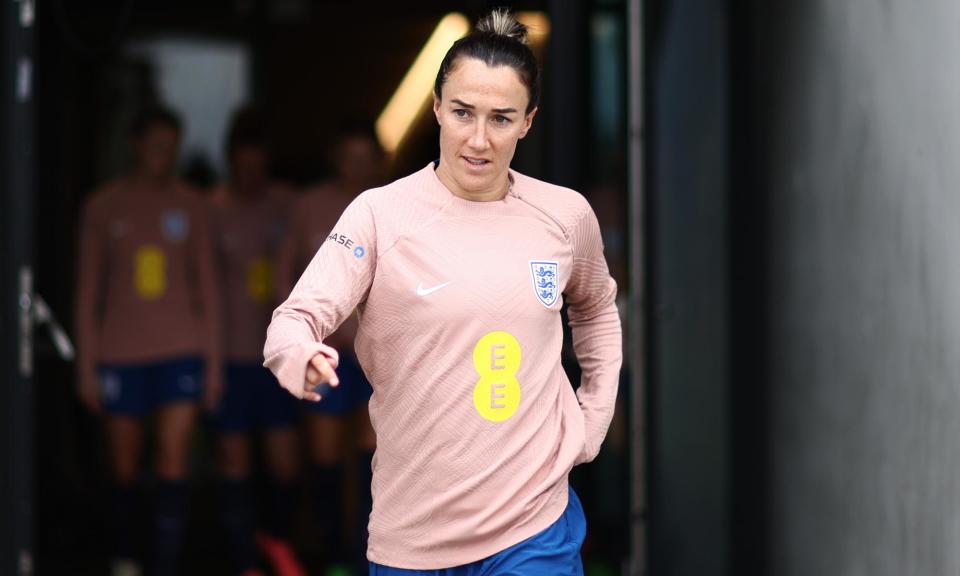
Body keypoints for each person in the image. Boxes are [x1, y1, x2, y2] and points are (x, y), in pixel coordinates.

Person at [264, 9, 621, 575]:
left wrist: (592, 418)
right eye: (462, 113)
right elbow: (297, 316)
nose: (478, 139)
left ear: (528, 122)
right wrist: (297, 353)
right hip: (414, 536)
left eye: (501, 119)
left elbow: (598, 308)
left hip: (534, 526)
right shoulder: (380, 215)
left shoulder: (564, 214)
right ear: (435, 107)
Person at [75, 106, 222, 576]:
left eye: (171, 147)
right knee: (124, 469)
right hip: (120, 353)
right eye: (156, 146)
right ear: (136, 145)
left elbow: (209, 288)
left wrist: (213, 364)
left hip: (181, 348)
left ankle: (164, 564)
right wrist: (85, 364)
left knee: (173, 462)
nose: (165, 156)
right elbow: (87, 291)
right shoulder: (102, 206)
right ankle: (126, 559)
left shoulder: (193, 205)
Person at [275, 123, 384, 572]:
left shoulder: (390, 202)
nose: (356, 167)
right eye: (348, 156)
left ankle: (362, 557)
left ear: (377, 160)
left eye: (365, 158)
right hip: (324, 353)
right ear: (334, 156)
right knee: (323, 459)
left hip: (377, 358)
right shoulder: (309, 205)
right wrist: (294, 337)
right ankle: (327, 554)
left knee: (370, 461)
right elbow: (286, 272)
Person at [208, 107, 305, 576]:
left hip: (276, 356)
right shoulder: (211, 208)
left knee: (285, 463)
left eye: (258, 166)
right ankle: (245, 561)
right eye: (242, 166)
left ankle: (278, 541)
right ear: (231, 163)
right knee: (235, 464)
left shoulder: (288, 204)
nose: (251, 175)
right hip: (230, 355)